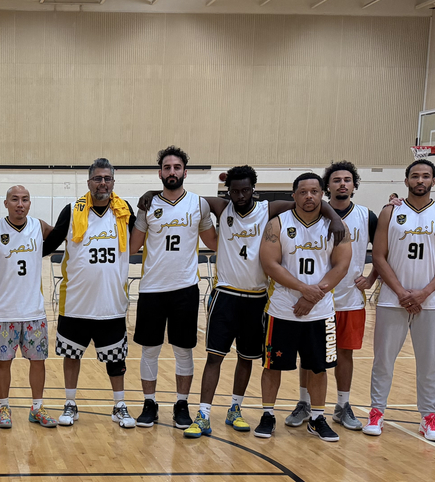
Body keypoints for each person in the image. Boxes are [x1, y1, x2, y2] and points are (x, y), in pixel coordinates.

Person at [139, 166, 344, 438]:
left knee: (246, 358)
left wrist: (334, 217)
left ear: (253, 190)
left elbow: (307, 201)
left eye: (245, 190)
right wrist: (153, 192)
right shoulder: (221, 207)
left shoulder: (268, 209)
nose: (240, 195)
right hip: (225, 294)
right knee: (214, 357)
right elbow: (180, 194)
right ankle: (203, 414)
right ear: (228, 192)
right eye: (235, 191)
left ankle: (235, 408)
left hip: (257, 297)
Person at [363, 159, 435, 440]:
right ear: (406, 181)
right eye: (415, 176)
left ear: (434, 181)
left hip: (430, 302)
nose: (420, 180)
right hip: (392, 300)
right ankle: (376, 412)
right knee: (383, 360)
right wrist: (401, 292)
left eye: (425, 176)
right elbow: (378, 256)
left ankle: (428, 417)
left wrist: (425, 292)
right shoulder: (391, 212)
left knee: (428, 363)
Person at [254, 172, 351, 441]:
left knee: (319, 367)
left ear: (322, 194)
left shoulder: (337, 227)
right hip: (282, 309)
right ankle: (268, 414)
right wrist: (303, 289)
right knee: (272, 366)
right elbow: (270, 264)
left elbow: (341, 266)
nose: (309, 196)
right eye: (303, 192)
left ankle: (317, 417)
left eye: (314, 191)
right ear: (294, 195)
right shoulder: (277, 224)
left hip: (320, 310)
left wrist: (312, 296)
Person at [42, 158, 138, 428]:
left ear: (113, 182)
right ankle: (70, 403)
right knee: (72, 355)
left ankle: (119, 405)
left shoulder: (124, 211)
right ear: (89, 182)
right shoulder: (72, 210)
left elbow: (145, 238)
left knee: (116, 359)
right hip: (77, 302)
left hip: (111, 301)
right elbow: (50, 244)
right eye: (97, 178)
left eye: (107, 178)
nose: (102, 183)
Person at [128, 146, 217, 429]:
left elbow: (214, 242)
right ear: (160, 173)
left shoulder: (199, 204)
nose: (172, 172)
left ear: (185, 172)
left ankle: (181, 404)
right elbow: (133, 246)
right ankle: (149, 403)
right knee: (149, 350)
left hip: (185, 288)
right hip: (152, 288)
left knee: (183, 350)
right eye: (167, 167)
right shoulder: (148, 206)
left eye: (177, 167)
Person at [286, 161, 376, 431]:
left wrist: (372, 278)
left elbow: (385, 250)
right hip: (314, 300)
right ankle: (304, 403)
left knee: (345, 354)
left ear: (354, 185)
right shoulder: (312, 213)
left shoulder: (367, 216)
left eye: (347, 180)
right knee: (308, 355)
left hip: (349, 298)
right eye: (336, 180)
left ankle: (343, 405)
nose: (342, 184)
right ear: (327, 187)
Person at [0, 185, 57, 429]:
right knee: (4, 363)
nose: (20, 204)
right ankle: (4, 407)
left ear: (30, 203)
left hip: (34, 310)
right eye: (15, 199)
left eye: (25, 199)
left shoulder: (39, 226)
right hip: (3, 311)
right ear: (6, 203)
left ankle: (37, 408)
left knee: (38, 361)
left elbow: (63, 237)